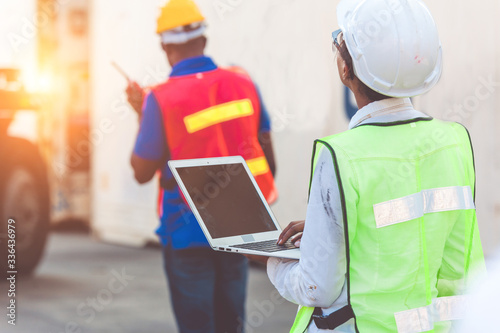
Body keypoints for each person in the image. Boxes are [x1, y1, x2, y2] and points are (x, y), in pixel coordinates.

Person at [256, 0, 486, 332]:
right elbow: (436, 243)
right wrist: (343, 225)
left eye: (339, 42)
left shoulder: (339, 155)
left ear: (345, 69)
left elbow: (316, 286)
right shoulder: (453, 142)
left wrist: (275, 261)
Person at [126, 0, 277, 332]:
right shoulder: (243, 82)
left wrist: (143, 116)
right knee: (231, 325)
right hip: (239, 227)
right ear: (204, 41)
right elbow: (268, 158)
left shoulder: (160, 98)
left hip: (186, 231)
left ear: (165, 47)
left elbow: (140, 171)